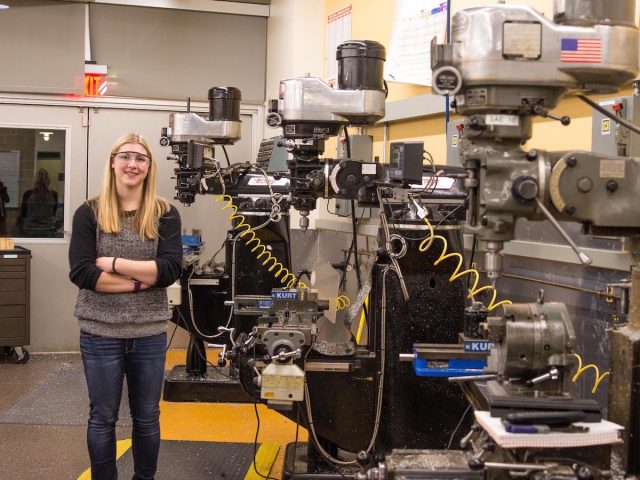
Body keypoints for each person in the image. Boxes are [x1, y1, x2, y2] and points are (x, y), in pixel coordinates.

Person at [69, 133, 182, 480]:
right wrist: (139, 281)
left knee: (147, 417)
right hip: (100, 332)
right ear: (113, 162)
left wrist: (114, 263)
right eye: (126, 156)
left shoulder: (165, 214)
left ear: (149, 168)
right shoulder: (89, 212)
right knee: (102, 417)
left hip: (148, 333)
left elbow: (169, 270)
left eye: (141, 158)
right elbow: (83, 273)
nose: (133, 164)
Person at [17, 168, 58, 237]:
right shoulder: (54, 194)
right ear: (48, 179)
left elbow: (23, 213)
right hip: (48, 229)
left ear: (35, 179)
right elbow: (54, 212)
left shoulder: (28, 193)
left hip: (29, 229)